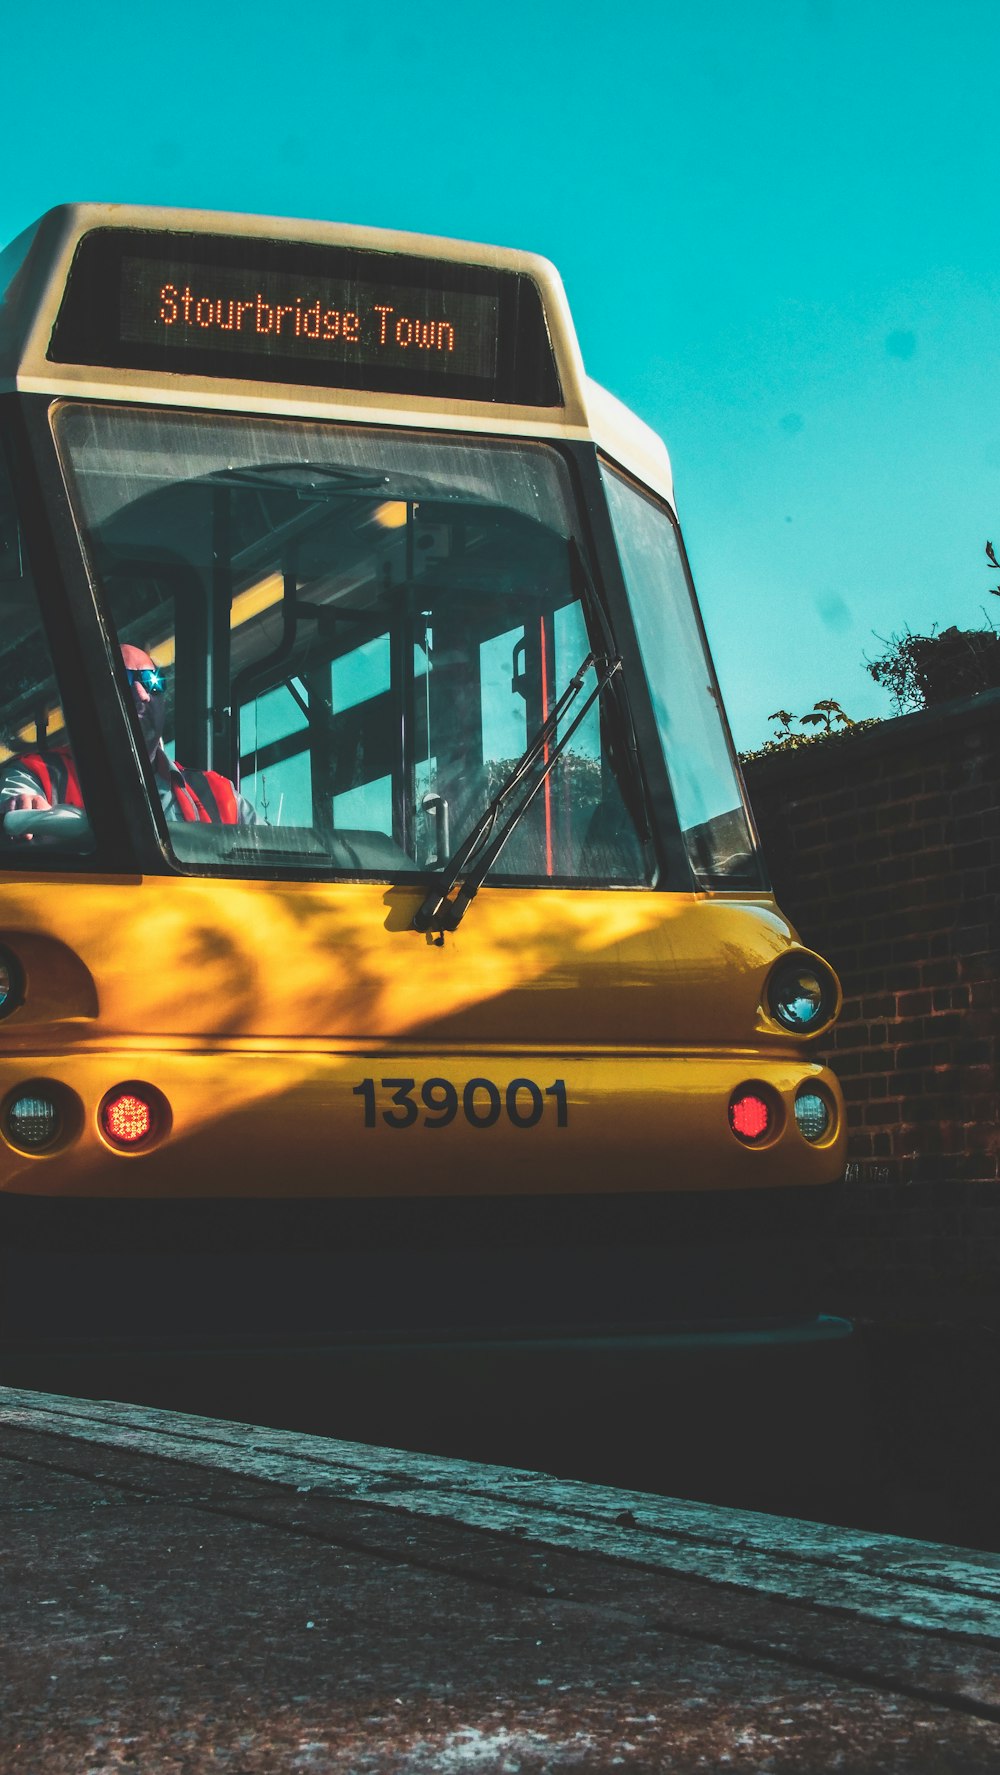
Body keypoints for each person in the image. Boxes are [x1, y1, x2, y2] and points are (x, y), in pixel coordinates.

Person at [0, 643, 254, 830]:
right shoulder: (35, 776)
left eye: (153, 681)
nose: (142, 694)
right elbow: (14, 808)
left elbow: (274, 855)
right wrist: (24, 809)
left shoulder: (222, 795)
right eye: (121, 680)